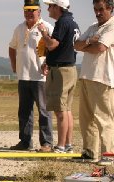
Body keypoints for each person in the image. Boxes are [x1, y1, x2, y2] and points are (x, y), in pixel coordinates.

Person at [8, 0, 54, 152]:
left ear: (39, 11)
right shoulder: (19, 28)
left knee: (44, 111)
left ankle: (46, 143)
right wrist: (14, 65)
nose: (29, 13)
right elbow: (12, 47)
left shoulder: (46, 27)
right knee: (24, 111)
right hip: (23, 76)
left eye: (32, 10)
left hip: (40, 77)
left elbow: (54, 48)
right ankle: (25, 141)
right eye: (27, 10)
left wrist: (49, 64)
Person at [74, 0, 114, 164]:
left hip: (102, 78)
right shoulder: (92, 27)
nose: (97, 13)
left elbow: (100, 48)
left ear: (110, 9)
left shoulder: (112, 26)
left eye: (101, 9)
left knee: (103, 118)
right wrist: (90, 41)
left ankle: (108, 154)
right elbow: (76, 45)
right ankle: (90, 152)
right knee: (86, 118)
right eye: (95, 9)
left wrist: (88, 45)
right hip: (86, 76)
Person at [37, 0, 80, 153]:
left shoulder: (63, 22)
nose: (48, 8)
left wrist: (43, 32)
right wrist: (48, 61)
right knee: (67, 109)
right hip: (69, 69)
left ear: (57, 7)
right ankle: (67, 144)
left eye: (50, 6)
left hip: (61, 71)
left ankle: (61, 146)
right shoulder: (72, 21)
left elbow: (52, 44)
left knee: (60, 111)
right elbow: (62, 48)